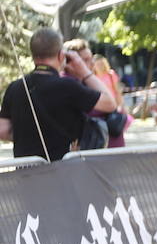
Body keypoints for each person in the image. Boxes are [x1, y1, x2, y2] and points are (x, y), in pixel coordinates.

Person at [0, 27, 117, 161]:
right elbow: (110, 103)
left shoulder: (15, 87)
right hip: (63, 171)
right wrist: (85, 72)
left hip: (26, 171)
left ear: (33, 54)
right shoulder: (68, 86)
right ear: (61, 55)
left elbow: (3, 130)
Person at [91, 54, 131, 148]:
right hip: (100, 108)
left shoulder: (110, 74)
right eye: (97, 64)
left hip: (113, 107)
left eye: (101, 64)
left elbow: (117, 91)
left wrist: (120, 106)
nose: (100, 66)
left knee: (116, 129)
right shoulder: (92, 77)